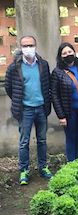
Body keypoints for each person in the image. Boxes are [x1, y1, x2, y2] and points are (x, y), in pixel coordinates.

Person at [5, 35, 52, 185]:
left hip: (41, 108)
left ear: (35, 46)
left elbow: (47, 85)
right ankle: (24, 170)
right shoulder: (14, 67)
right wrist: (19, 101)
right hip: (25, 110)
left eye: (31, 45)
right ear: (20, 48)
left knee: (42, 140)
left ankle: (43, 167)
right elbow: (9, 87)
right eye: (25, 46)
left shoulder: (43, 65)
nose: (28, 48)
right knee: (24, 142)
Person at [51, 42, 78, 162]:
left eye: (70, 52)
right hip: (68, 112)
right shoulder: (57, 72)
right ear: (60, 56)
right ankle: (71, 163)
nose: (68, 54)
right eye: (64, 53)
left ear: (74, 53)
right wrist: (61, 115)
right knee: (71, 137)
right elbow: (54, 95)